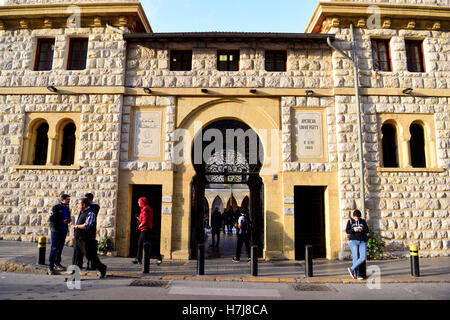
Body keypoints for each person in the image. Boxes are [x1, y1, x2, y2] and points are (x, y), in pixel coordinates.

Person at [72, 198, 107, 278]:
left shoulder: (90, 213)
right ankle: (74, 276)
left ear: (84, 205)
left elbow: (88, 225)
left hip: (86, 240)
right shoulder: (82, 212)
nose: (77, 205)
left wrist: (76, 226)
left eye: (79, 203)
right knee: (76, 257)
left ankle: (102, 268)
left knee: (90, 256)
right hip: (78, 238)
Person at [133, 197, 163, 265]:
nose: (138, 203)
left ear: (142, 202)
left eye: (139, 202)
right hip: (144, 228)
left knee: (147, 244)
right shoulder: (145, 208)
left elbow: (145, 219)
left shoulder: (145, 209)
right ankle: (138, 259)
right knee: (140, 243)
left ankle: (158, 257)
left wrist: (140, 224)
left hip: (145, 229)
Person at [48, 194, 71, 275]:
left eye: (69, 199)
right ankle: (50, 267)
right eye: (67, 199)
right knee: (54, 248)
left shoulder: (67, 208)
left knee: (60, 247)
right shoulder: (56, 207)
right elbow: (51, 219)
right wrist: (62, 221)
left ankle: (57, 263)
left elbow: (68, 218)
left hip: (63, 230)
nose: (69, 201)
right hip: (56, 230)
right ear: (62, 200)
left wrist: (68, 220)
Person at [346, 209, 369, 280]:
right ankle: (358, 274)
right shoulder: (350, 221)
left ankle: (351, 269)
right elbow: (347, 231)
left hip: (362, 241)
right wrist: (354, 230)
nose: (357, 219)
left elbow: (367, 230)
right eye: (356, 217)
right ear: (353, 216)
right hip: (353, 241)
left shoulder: (363, 221)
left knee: (363, 257)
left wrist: (362, 229)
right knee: (355, 258)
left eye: (358, 217)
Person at [84, 193, 100, 270]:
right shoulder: (86, 207)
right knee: (86, 248)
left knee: (91, 248)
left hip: (91, 231)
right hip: (84, 230)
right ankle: (88, 264)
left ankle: (92, 264)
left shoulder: (95, 206)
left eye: (86, 199)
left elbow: (92, 210)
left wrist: (87, 204)